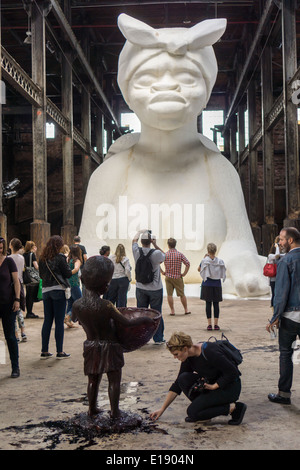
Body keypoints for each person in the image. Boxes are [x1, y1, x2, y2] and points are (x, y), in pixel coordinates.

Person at [71, 255, 155, 418]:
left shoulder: (77, 305)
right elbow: (127, 323)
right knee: (114, 380)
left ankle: (92, 409)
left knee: (93, 380)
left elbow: (75, 319)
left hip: (91, 345)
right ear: (105, 286)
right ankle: (115, 411)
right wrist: (145, 319)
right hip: (110, 346)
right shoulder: (107, 306)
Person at [150, 331, 246, 425]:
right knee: (183, 379)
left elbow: (233, 372)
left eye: (176, 354)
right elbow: (177, 385)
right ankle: (204, 411)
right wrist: (162, 409)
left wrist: (214, 386)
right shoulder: (188, 357)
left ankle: (234, 408)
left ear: (185, 348)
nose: (175, 357)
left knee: (192, 413)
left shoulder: (209, 351)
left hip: (229, 388)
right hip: (211, 385)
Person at [267, 227, 300, 405]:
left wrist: (275, 316)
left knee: (286, 354)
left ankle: (284, 394)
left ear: (290, 241)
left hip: (290, 316)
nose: (279, 243)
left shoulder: (286, 261)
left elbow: (281, 293)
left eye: (281, 239)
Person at [39, 235, 72, 359]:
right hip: (58, 291)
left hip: (46, 291)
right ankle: (60, 351)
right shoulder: (60, 258)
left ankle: (44, 350)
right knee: (58, 321)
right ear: (59, 245)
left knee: (47, 320)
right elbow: (68, 274)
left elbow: (41, 275)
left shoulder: (42, 259)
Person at [132, 229, 165, 345]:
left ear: (141, 241)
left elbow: (134, 240)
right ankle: (158, 338)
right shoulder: (155, 253)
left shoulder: (136, 251)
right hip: (155, 288)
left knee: (142, 314)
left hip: (140, 287)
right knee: (156, 313)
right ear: (150, 241)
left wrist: (140, 231)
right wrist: (155, 244)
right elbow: (164, 256)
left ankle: (142, 338)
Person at [0, 237, 21, 377]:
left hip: (8, 304)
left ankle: (15, 367)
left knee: (10, 337)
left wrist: (17, 300)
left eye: (1, 247)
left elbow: (16, 281)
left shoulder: (9, 261)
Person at [198, 243, 226, 331]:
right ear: (215, 250)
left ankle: (209, 325)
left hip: (207, 284)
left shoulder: (205, 260)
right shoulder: (220, 261)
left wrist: (203, 258)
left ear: (208, 250)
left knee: (208, 304)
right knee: (216, 304)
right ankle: (216, 325)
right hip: (217, 284)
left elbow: (199, 269)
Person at [161, 238, 190, 316]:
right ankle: (186, 310)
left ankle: (172, 311)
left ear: (168, 245)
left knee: (169, 294)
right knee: (182, 294)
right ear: (175, 245)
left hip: (168, 277)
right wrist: (184, 273)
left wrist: (162, 272)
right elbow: (187, 263)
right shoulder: (179, 254)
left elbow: (157, 263)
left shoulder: (165, 254)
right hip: (177, 277)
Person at [9, 238, 27, 342]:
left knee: (12, 311)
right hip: (20, 284)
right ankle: (23, 332)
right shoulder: (22, 258)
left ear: (11, 246)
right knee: (19, 309)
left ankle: (16, 335)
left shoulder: (8, 258)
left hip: (12, 284)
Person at [64, 244, 82, 328]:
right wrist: (70, 273)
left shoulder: (68, 259)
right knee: (79, 301)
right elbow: (76, 269)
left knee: (71, 302)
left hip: (68, 283)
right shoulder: (77, 260)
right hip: (74, 283)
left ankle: (68, 321)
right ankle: (68, 317)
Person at [23, 240, 40, 319]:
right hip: (32, 277)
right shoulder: (32, 254)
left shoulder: (23, 254)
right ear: (32, 247)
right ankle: (30, 312)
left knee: (28, 294)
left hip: (26, 276)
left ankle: (28, 311)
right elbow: (36, 266)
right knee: (31, 295)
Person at [266, 236, 284, 308]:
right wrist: (277, 247)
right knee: (274, 294)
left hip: (280, 278)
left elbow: (286, 254)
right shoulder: (270, 256)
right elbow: (277, 255)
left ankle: (278, 308)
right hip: (273, 279)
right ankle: (273, 309)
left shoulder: (281, 255)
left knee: (279, 294)